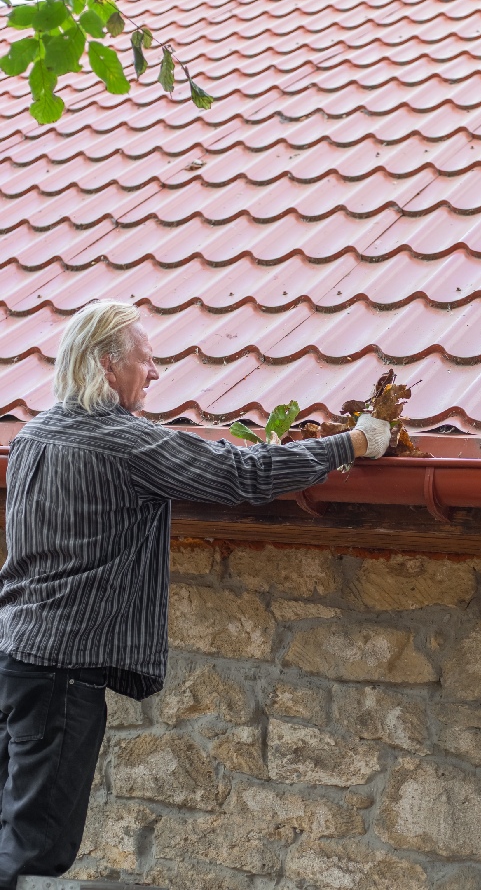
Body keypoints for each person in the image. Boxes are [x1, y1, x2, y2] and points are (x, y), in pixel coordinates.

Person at [0, 300, 391, 889]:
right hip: (61, 675)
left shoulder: (33, 435)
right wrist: (351, 444)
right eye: (145, 359)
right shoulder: (123, 443)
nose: (155, 372)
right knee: (35, 852)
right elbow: (243, 475)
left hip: (13, 655)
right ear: (107, 365)